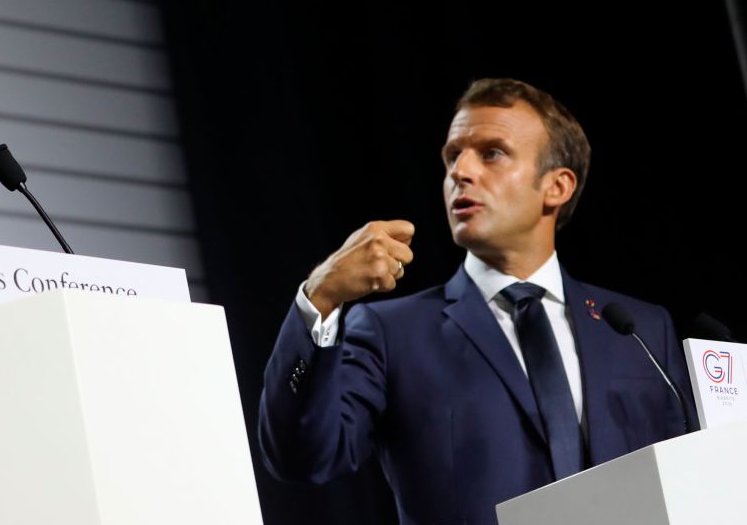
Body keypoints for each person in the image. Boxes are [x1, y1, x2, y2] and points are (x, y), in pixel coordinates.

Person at [259, 78, 692, 525]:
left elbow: (693, 475)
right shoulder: (392, 332)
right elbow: (301, 456)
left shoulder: (638, 329)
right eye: (452, 156)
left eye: (492, 153)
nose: (460, 172)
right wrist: (322, 296)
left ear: (557, 187)